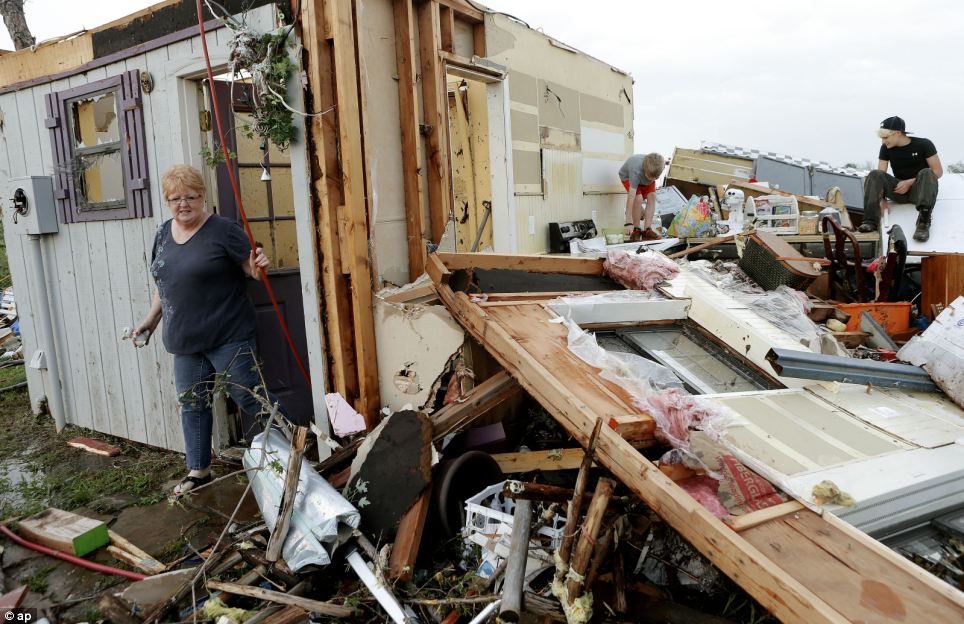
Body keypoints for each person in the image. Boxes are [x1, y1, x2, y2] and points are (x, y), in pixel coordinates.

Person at [131, 165, 282, 496]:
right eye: (175, 198)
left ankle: (282, 460)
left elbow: (250, 271)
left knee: (249, 396)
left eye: (190, 197)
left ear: (203, 197)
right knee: (192, 404)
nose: (183, 204)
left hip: (227, 334)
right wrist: (150, 320)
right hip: (184, 340)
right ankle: (199, 470)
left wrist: (260, 268)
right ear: (167, 200)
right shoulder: (161, 233)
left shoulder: (223, 230)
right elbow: (165, 282)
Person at [860, 116, 942, 242]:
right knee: (874, 174)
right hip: (898, 190)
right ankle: (870, 221)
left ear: (898, 133)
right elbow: (880, 175)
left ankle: (923, 224)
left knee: (927, 172)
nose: (883, 142)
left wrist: (910, 182)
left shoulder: (924, 144)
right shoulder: (885, 148)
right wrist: (881, 199)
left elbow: (938, 172)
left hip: (919, 191)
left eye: (885, 137)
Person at [618, 152, 666, 242]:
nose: (652, 180)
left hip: (644, 179)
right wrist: (628, 222)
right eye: (650, 177)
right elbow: (630, 199)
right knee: (638, 198)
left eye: (655, 178)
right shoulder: (636, 171)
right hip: (627, 177)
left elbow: (652, 176)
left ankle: (647, 230)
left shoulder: (656, 169)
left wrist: (651, 178)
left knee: (652, 196)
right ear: (645, 169)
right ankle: (636, 230)